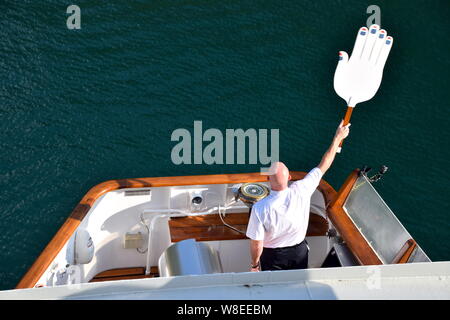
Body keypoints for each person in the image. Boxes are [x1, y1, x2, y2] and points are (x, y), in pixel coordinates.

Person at [246, 120, 350, 272]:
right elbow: (325, 163)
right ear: (289, 178)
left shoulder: (259, 208)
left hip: (273, 256)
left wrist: (255, 265)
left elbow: (257, 243)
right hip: (299, 252)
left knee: (274, 288)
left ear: (268, 179)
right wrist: (337, 138)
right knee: (297, 284)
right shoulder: (302, 189)